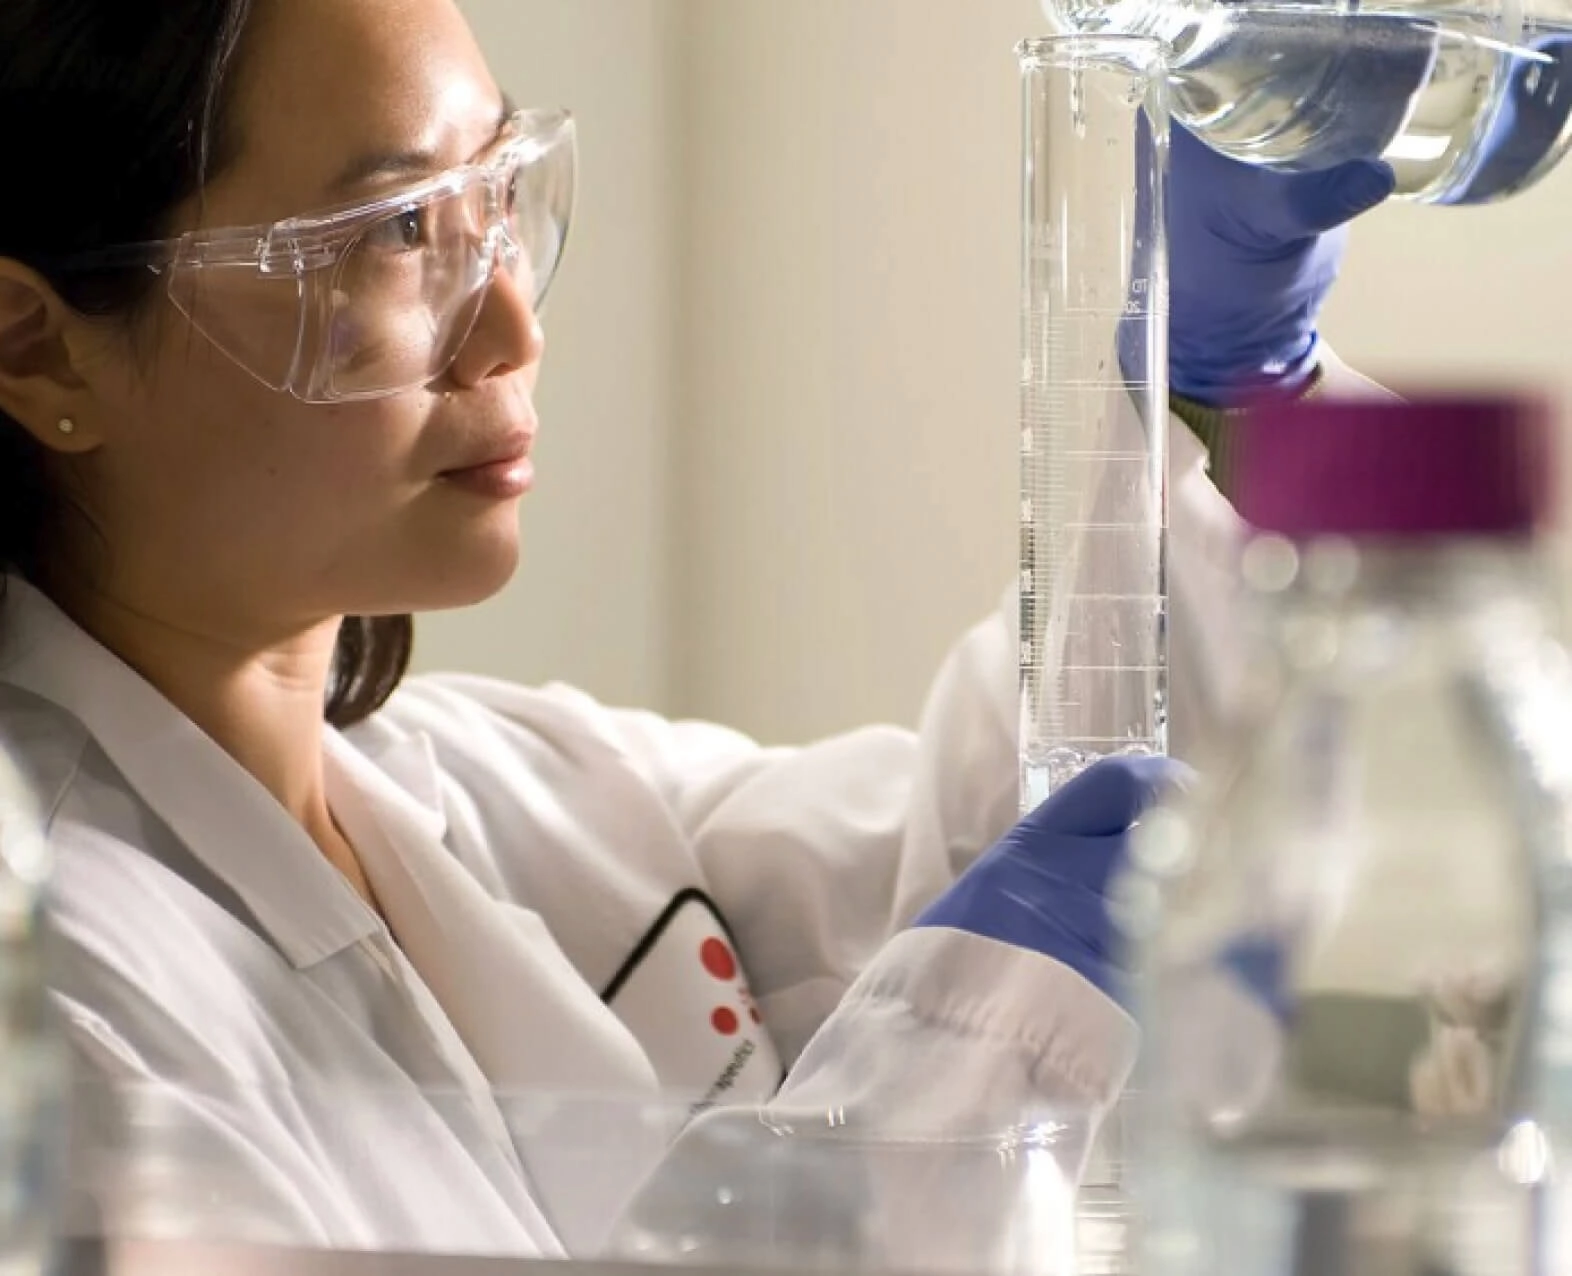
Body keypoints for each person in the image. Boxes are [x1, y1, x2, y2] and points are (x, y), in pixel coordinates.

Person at [0, 0, 1391, 1260]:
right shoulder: (58, 1006)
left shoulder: (511, 794)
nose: (509, 326)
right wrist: (954, 1080)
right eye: (395, 229)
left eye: (494, 195)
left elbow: (1017, 845)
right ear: (40, 349)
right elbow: (978, 998)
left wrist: (1224, 386)